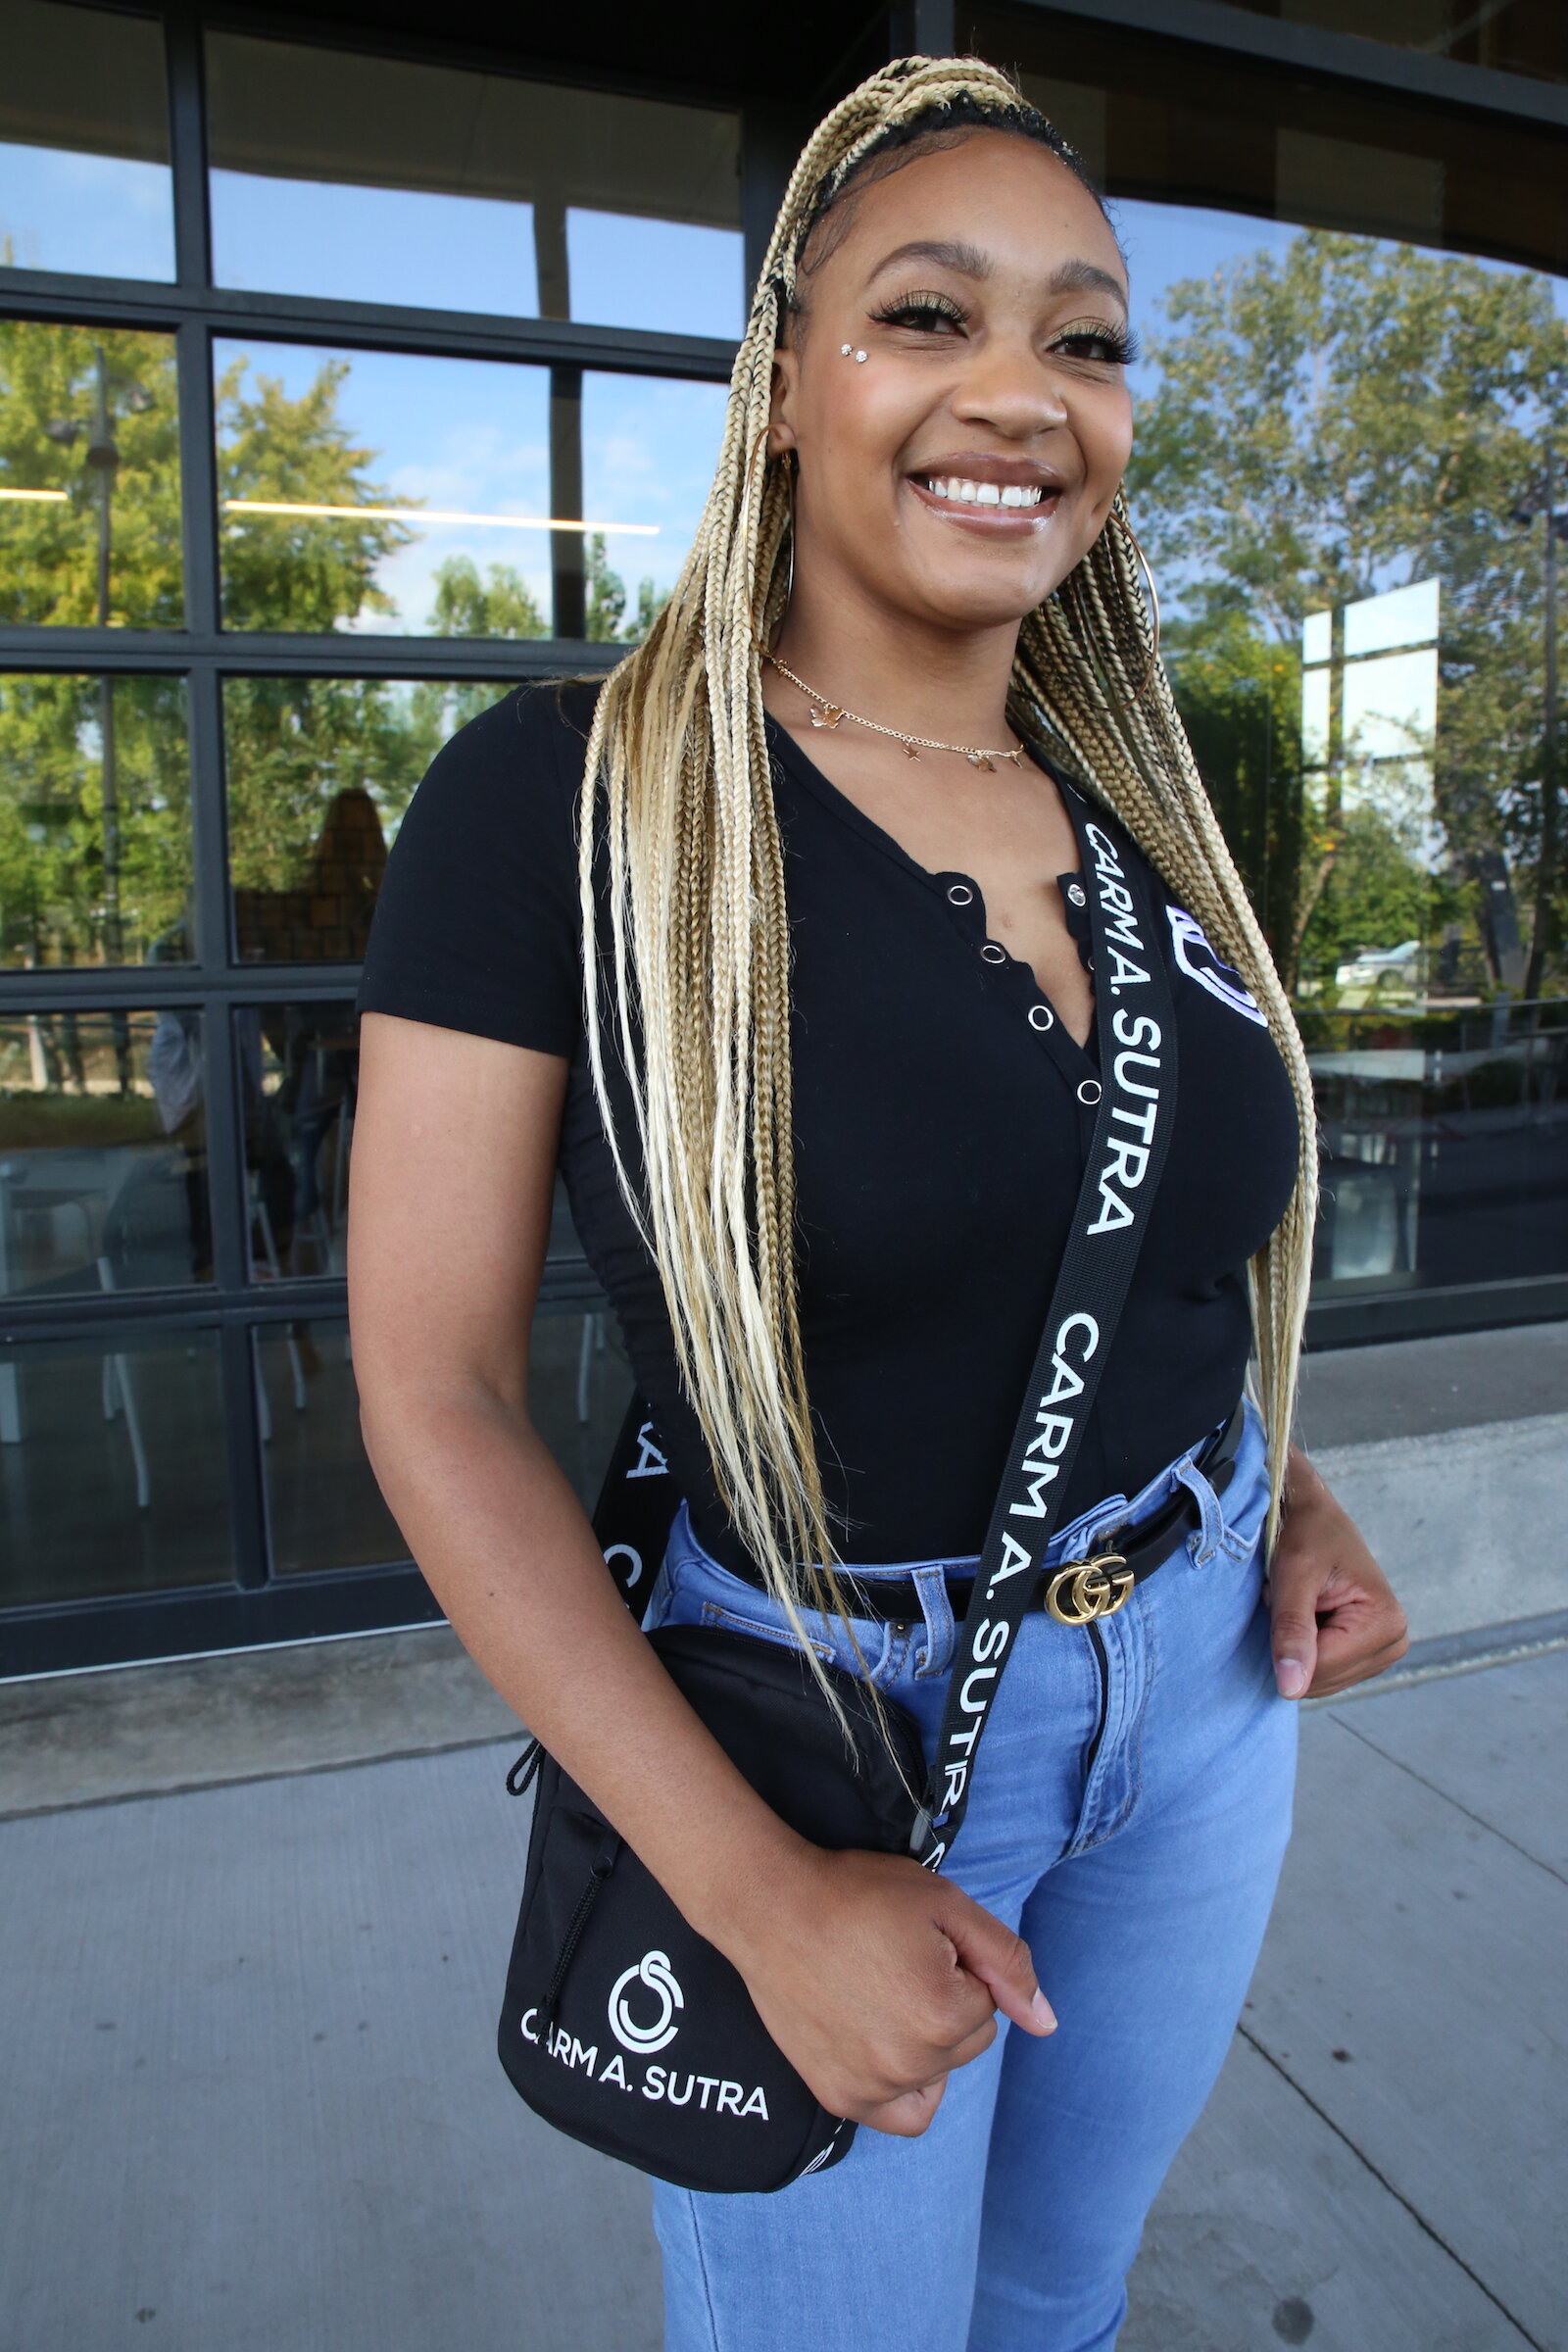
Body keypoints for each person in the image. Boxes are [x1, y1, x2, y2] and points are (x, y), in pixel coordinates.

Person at [349, 56, 1408, 2352]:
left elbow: (1153, 1244)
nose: (1020, 391)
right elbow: (428, 1391)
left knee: (1054, 2298)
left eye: (1087, 336)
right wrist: (742, 1890)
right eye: (927, 315)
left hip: (1205, 1692)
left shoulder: (1145, 808)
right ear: (779, 390)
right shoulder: (565, 806)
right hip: (835, 1739)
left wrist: (1281, 1490)